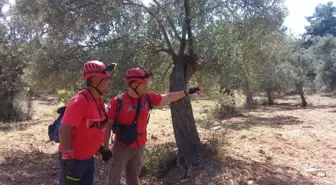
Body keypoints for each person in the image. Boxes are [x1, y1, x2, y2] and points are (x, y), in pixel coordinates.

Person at [102, 67, 200, 185]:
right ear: (133, 84)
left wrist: (187, 91)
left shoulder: (147, 98)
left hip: (139, 146)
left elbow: (167, 97)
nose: (146, 86)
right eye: (144, 84)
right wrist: (106, 148)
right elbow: (108, 126)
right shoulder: (117, 102)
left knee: (133, 180)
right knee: (113, 181)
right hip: (121, 147)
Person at [58, 60, 116, 185]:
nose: (109, 83)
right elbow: (64, 129)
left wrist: (101, 149)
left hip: (88, 159)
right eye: (107, 79)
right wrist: (68, 160)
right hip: (75, 161)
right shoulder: (80, 101)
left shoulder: (98, 99)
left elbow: (92, 125)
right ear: (95, 82)